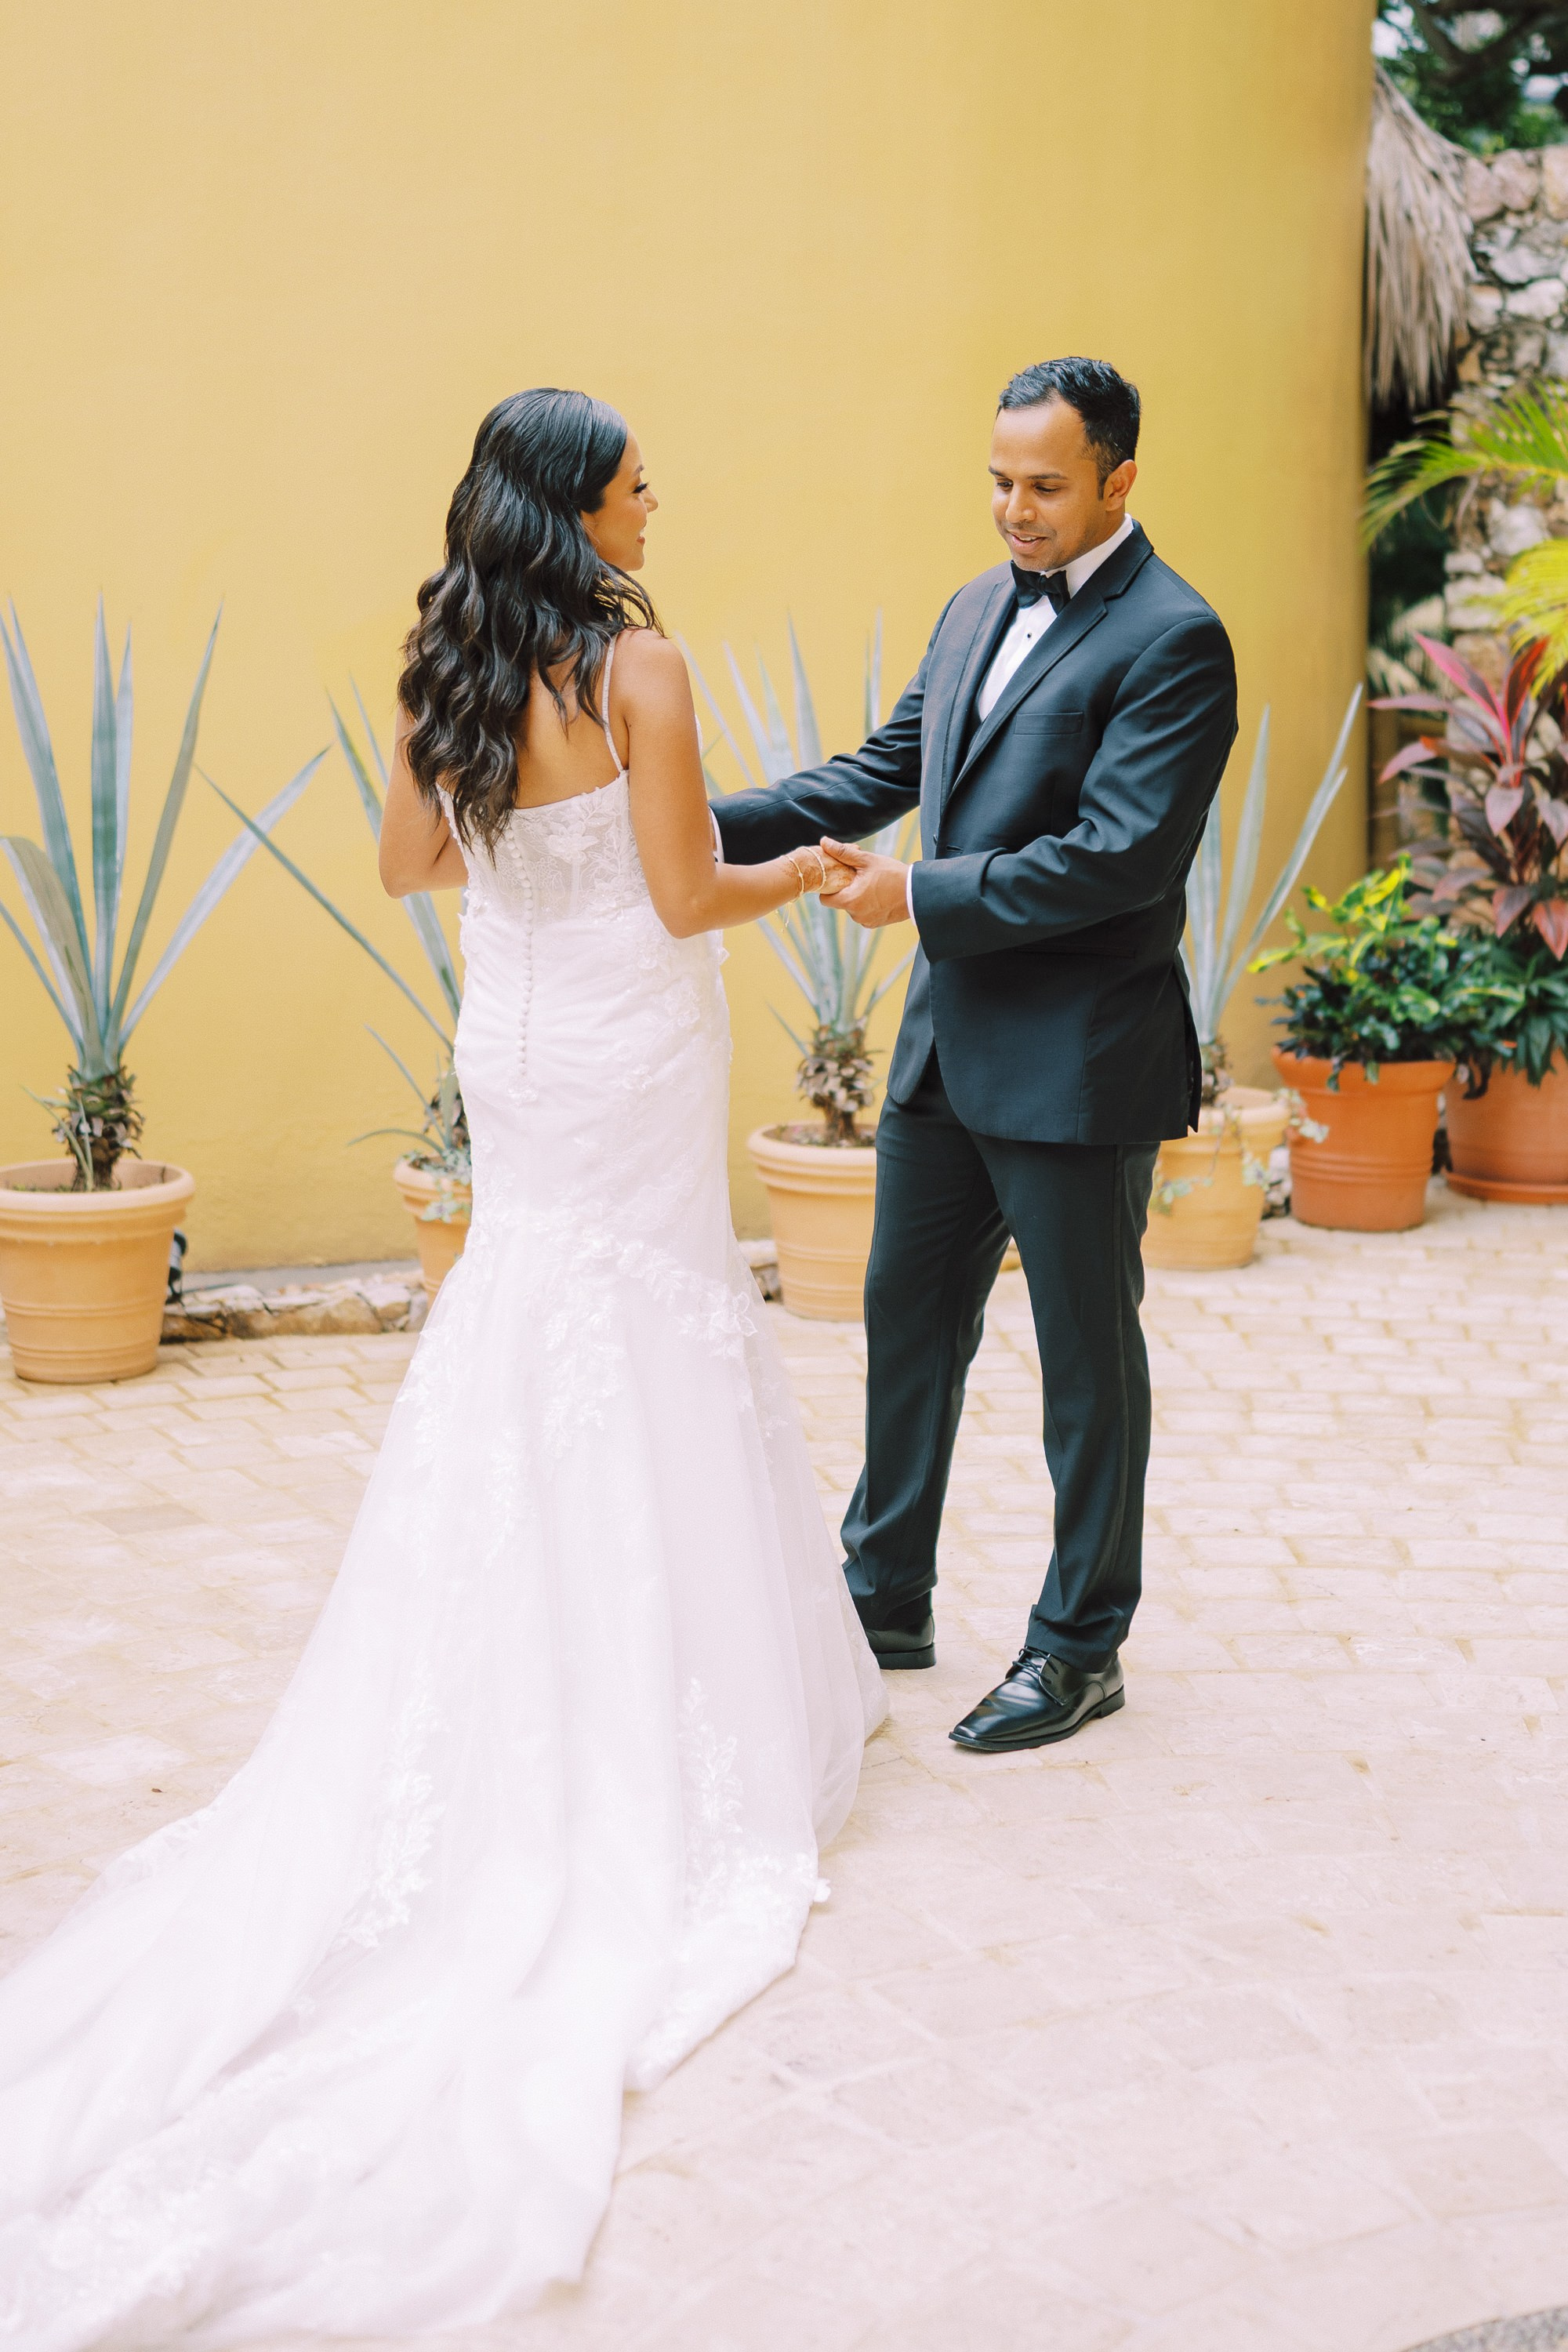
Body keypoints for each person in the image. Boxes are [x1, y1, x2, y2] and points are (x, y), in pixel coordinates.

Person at [0, 388, 884, 2347]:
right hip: (633, 1044)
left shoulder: (451, 665)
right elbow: (678, 893)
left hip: (517, 1052)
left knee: (530, 1320)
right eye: (642, 474)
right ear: (579, 503)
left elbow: (409, 866)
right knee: (646, 1320)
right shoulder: (641, 661)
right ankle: (654, 1698)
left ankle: (522, 1641)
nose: (662, 494)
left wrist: (518, 853)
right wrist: (806, 865)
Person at [712, 358, 1238, 1755]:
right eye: (1001, 482)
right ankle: (884, 1596)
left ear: (1121, 479)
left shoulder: (1178, 639)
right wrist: (692, 822)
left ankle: (1080, 1644)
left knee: (1085, 1364)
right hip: (946, 1054)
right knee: (907, 1327)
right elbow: (879, 771)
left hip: (1078, 1059)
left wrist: (918, 897)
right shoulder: (968, 610)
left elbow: (1119, 860)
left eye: (1047, 487)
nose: (1015, 509)